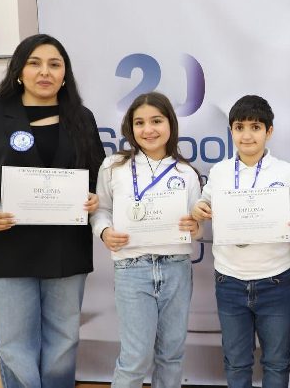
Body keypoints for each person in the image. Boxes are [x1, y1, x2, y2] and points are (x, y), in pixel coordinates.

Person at [0, 34, 105, 387]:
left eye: (54, 64)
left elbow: (98, 176)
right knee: (13, 345)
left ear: (65, 75)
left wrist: (95, 197)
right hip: (5, 245)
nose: (45, 72)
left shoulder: (81, 118)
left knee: (63, 342)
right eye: (34, 63)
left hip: (65, 246)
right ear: (19, 71)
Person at [192, 95, 290, 388]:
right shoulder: (219, 172)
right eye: (239, 127)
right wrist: (199, 209)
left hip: (276, 281)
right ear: (231, 131)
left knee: (277, 361)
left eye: (255, 127)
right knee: (236, 362)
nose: (247, 135)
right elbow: (204, 205)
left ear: (269, 131)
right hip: (229, 281)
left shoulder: (287, 172)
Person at [90, 92, 203, 387]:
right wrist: (104, 231)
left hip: (176, 268)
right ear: (130, 128)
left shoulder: (186, 172)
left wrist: (195, 226)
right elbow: (101, 210)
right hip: (132, 269)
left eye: (156, 121)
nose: (148, 129)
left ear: (170, 124)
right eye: (139, 123)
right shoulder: (113, 166)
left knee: (171, 354)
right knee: (135, 358)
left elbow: (199, 225)